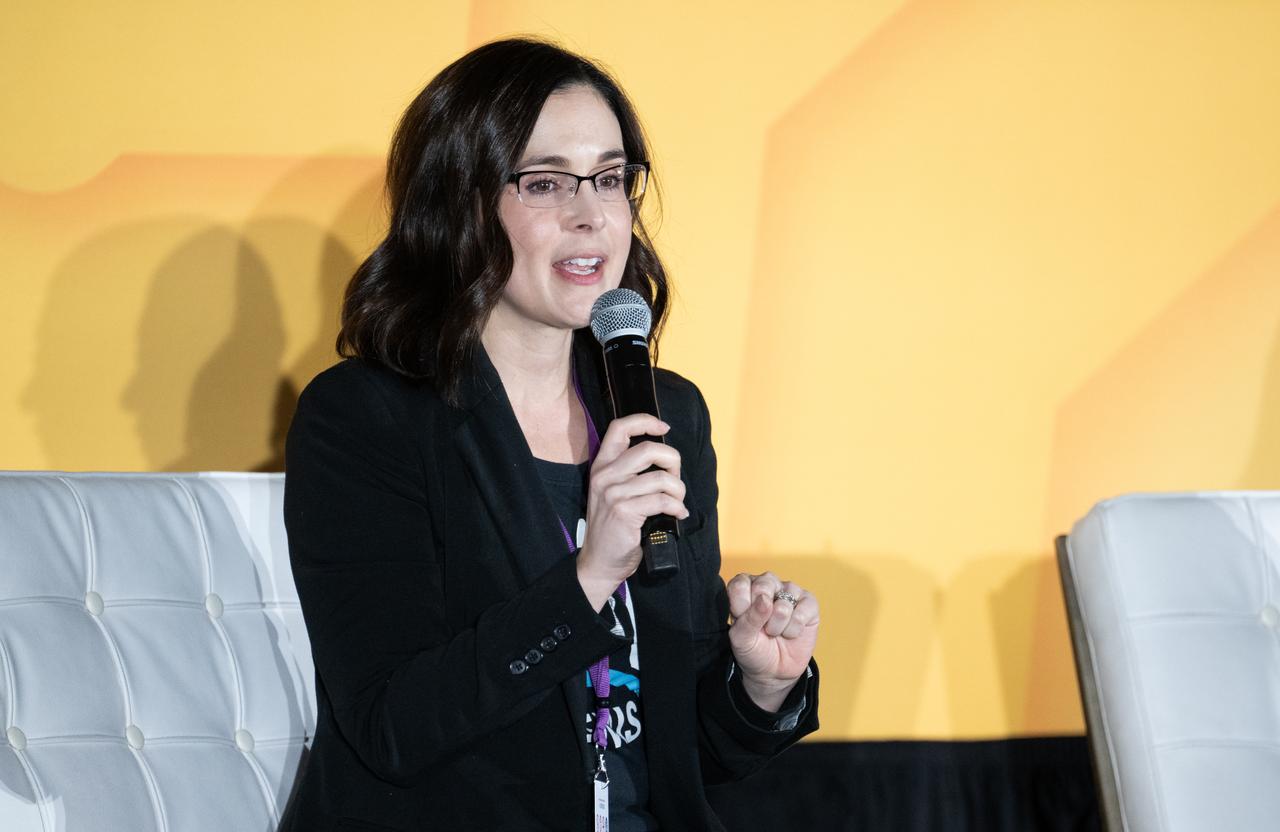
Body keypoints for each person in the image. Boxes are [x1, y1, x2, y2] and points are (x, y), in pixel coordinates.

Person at [280, 37, 820, 832]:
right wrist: (589, 576)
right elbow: (394, 729)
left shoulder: (667, 413)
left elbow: (666, 750)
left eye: (609, 178)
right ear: (460, 205)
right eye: (544, 183)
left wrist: (760, 685)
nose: (591, 214)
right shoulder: (367, 419)